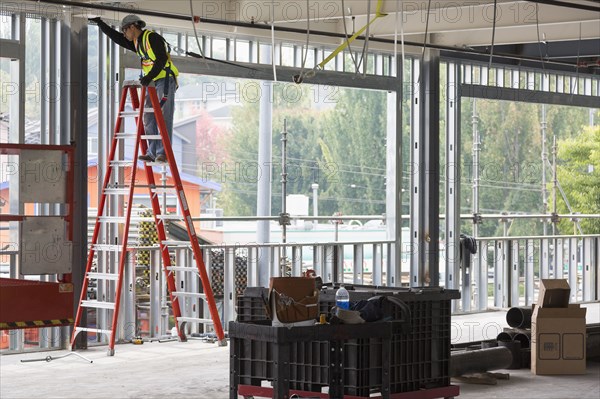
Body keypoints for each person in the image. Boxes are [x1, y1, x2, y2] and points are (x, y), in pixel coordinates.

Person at [89, 14, 179, 163]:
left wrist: (149, 77)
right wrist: (100, 24)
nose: (124, 34)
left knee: (164, 116)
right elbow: (116, 38)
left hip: (165, 79)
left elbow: (161, 59)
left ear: (132, 27)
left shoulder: (152, 38)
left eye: (125, 30)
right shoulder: (136, 42)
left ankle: (163, 153)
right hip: (153, 81)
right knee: (149, 117)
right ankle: (152, 152)